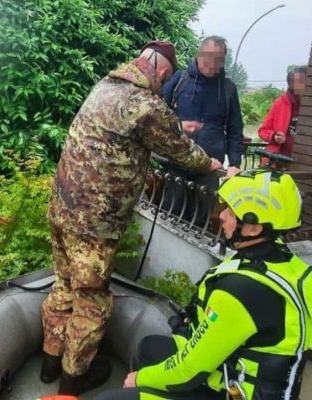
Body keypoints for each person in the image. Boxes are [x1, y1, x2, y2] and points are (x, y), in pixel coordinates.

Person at [40, 41, 223, 396]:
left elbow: (134, 128)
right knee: (91, 299)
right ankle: (72, 380)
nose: (163, 86)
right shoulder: (147, 104)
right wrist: (212, 163)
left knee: (63, 285)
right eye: (165, 80)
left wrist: (174, 127)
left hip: (62, 208)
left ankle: (49, 362)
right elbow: (183, 152)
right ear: (163, 72)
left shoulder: (105, 87)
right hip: (94, 223)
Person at [95, 169, 312, 400]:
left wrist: (139, 379)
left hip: (233, 392)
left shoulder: (242, 291)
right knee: (150, 347)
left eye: (230, 210)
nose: (222, 215)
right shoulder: (281, 259)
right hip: (244, 376)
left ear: (253, 228)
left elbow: (188, 372)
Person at [162, 36, 244, 224]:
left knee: (201, 222)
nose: (212, 64)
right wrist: (180, 125)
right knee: (171, 218)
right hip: (177, 163)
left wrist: (235, 163)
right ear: (198, 56)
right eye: (208, 58)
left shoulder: (228, 89)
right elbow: (156, 116)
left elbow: (235, 130)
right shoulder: (179, 80)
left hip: (210, 167)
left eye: (218, 60)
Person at [258, 66, 308, 168]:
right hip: (278, 161)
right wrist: (274, 136)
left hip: (305, 162)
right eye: (298, 82)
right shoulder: (280, 103)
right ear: (291, 84)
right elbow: (263, 130)